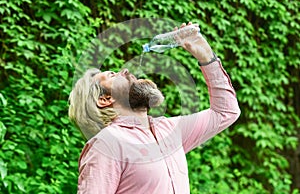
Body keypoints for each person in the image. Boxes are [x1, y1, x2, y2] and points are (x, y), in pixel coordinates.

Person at [68, 22, 240, 194]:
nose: (126, 70)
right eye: (113, 75)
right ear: (105, 99)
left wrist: (206, 57)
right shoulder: (107, 145)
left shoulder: (170, 130)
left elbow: (225, 112)